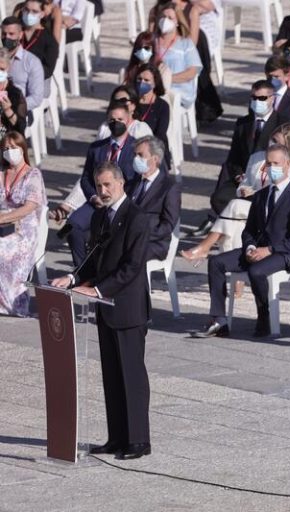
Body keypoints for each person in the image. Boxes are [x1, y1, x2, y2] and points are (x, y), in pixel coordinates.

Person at [51, 162, 152, 460]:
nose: (103, 191)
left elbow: (132, 267)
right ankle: (117, 437)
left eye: (108, 185)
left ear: (121, 183)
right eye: (99, 186)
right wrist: (72, 279)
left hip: (127, 307)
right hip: (106, 309)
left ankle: (138, 440)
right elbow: (93, 261)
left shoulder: (136, 218)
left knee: (131, 376)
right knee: (112, 375)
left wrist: (96, 290)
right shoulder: (99, 217)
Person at [192, 144, 290, 338]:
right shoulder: (262, 195)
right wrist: (249, 246)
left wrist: (269, 250)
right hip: (257, 249)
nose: (271, 168)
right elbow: (249, 229)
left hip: (284, 253)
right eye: (268, 163)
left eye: (276, 163)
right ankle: (219, 319)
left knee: (256, 271)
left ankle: (263, 316)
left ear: (287, 164)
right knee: (216, 262)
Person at [181, 123, 290, 264]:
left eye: (278, 143)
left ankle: (205, 247)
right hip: (251, 206)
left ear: (287, 147)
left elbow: (282, 193)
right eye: (273, 139)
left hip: (272, 210)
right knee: (232, 226)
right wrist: (243, 190)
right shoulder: (257, 157)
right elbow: (245, 182)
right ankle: (230, 269)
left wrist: (256, 192)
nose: (273, 144)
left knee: (234, 205)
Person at [193, 79, 290, 237]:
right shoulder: (243, 123)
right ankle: (235, 232)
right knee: (220, 198)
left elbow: (287, 159)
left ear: (272, 98)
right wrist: (240, 175)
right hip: (245, 178)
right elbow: (235, 155)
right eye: (253, 97)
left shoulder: (283, 123)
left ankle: (243, 233)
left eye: (262, 98)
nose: (257, 101)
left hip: (268, 179)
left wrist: (258, 181)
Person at [63, 102, 138, 266]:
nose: (116, 123)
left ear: (128, 120)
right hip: (97, 202)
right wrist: (93, 197)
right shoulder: (96, 148)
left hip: (121, 205)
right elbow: (85, 178)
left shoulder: (136, 149)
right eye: (112, 120)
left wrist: (120, 200)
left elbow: (137, 182)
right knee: (71, 227)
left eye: (120, 119)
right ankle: (82, 270)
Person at [0, 131, 45, 316]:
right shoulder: (2, 173)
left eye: (13, 147)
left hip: (24, 228)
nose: (9, 151)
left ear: (22, 149)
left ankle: (14, 304)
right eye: (6, 148)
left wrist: (4, 218)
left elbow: (30, 206)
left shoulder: (32, 174)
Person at [130, 136, 181, 261]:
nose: (136, 159)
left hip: (153, 242)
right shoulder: (132, 183)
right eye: (135, 155)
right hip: (129, 238)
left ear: (155, 159)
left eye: (140, 155)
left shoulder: (169, 187)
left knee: (129, 255)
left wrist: (141, 236)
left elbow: (168, 225)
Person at [152, 2, 202, 110]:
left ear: (177, 22)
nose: (165, 20)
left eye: (170, 18)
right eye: (163, 17)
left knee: (162, 101)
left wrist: (167, 80)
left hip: (178, 92)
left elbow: (192, 72)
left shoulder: (186, 44)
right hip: (155, 88)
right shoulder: (152, 41)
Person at [2, 16, 44, 111]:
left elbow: (36, 98)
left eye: (11, 34)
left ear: (20, 35)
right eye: (4, 34)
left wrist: (12, 106)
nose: (7, 37)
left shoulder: (32, 62)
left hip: (18, 111)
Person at [134, 63, 171, 160]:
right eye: (139, 79)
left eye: (146, 80)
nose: (142, 82)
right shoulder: (131, 102)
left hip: (154, 149)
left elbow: (160, 134)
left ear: (155, 83)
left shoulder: (162, 106)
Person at [20, 0, 58, 84]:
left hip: (36, 82)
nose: (29, 14)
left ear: (42, 14)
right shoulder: (15, 32)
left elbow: (48, 70)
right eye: (26, 10)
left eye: (34, 11)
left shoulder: (49, 40)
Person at [0, 49, 28, 139]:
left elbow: (21, 128)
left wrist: (8, 110)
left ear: (8, 68)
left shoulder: (15, 94)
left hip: (6, 141)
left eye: (2, 69)